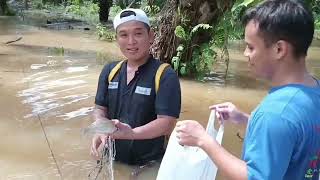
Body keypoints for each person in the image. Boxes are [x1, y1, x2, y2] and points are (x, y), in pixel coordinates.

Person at [176, 0, 320, 179]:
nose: (245, 54)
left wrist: (203, 140)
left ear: (279, 49)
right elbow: (295, 134)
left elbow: (255, 176)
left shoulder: (274, 114)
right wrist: (246, 119)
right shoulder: (313, 89)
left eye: (251, 47)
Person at [90, 8, 181, 166]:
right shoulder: (110, 71)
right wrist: (101, 126)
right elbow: (100, 108)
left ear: (150, 36)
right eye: (123, 35)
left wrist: (131, 133)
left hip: (149, 163)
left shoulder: (165, 75)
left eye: (138, 33)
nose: (131, 41)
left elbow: (167, 124)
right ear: (117, 39)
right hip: (111, 158)